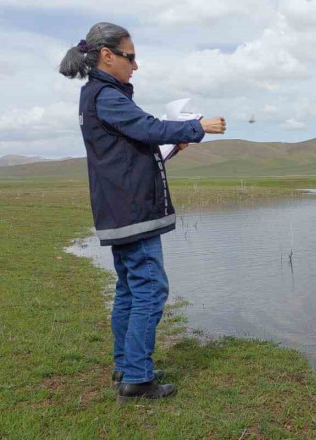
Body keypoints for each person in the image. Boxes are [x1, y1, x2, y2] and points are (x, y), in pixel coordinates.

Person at [59, 22, 226, 402]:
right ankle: (136, 377)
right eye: (130, 57)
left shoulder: (103, 95)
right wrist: (197, 126)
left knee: (131, 291)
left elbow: (135, 145)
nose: (135, 65)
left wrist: (173, 145)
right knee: (150, 289)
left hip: (122, 209)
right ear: (107, 55)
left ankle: (127, 366)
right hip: (132, 211)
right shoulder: (107, 96)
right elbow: (148, 127)